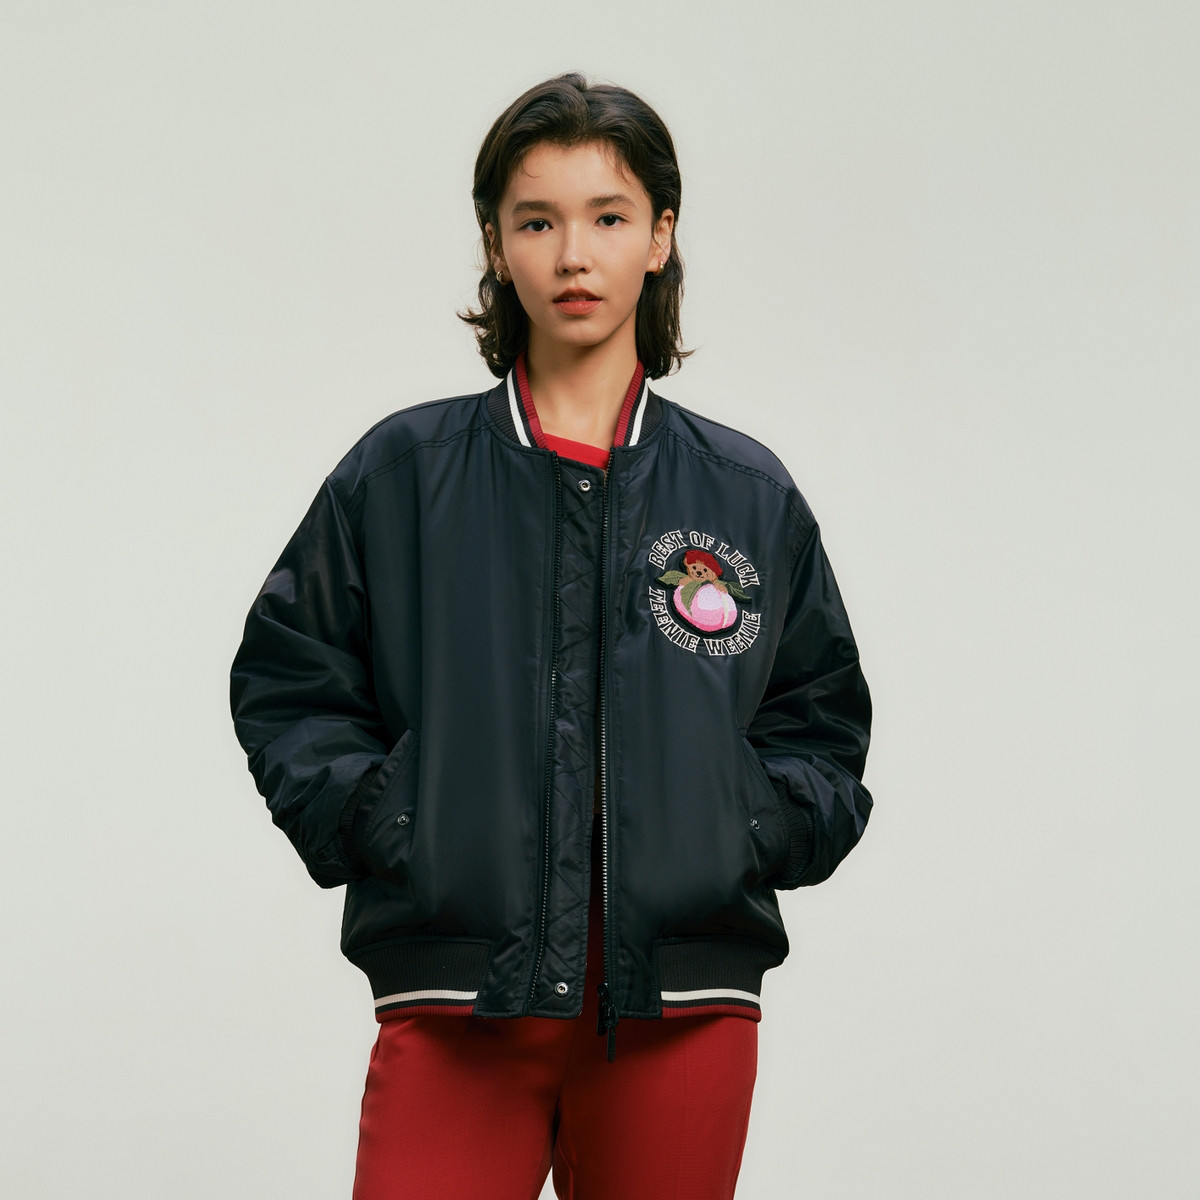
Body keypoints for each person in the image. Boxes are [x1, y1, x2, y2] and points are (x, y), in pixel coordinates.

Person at [230, 71, 873, 1200]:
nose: (574, 255)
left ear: (660, 237)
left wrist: (746, 825)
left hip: (679, 1009)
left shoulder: (745, 496)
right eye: (538, 222)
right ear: (496, 244)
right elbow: (290, 677)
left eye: (609, 217)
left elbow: (820, 720)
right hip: (461, 999)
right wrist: (387, 816)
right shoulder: (404, 474)